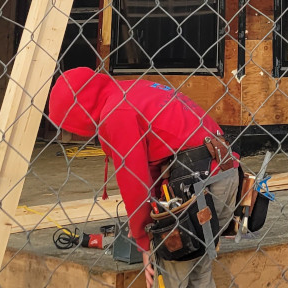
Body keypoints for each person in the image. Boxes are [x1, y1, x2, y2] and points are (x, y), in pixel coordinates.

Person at [47, 67, 240, 288]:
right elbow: (159, 158)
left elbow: (134, 181)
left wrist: (145, 241)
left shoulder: (115, 113)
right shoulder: (134, 89)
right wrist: (145, 220)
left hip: (193, 189)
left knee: (169, 279)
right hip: (223, 174)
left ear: (79, 111)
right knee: (199, 272)